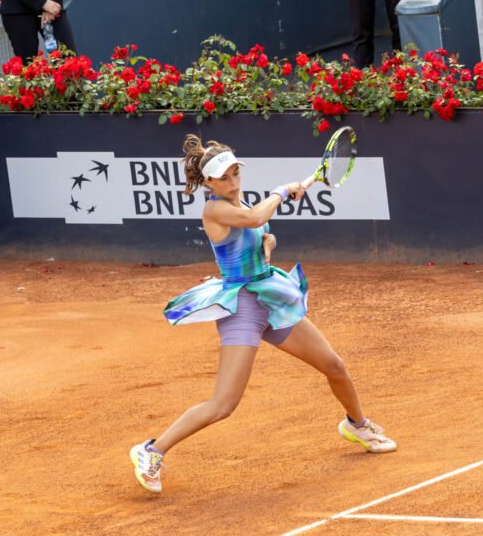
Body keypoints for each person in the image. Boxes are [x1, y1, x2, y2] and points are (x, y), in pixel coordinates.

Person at [130, 135, 396, 494]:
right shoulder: (214, 210)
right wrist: (281, 192)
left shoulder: (239, 203)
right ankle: (151, 450)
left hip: (271, 299)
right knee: (223, 404)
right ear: (209, 183)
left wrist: (268, 244)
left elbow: (256, 234)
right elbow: (256, 218)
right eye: (224, 177)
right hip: (243, 309)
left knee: (334, 365)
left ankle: (358, 425)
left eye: (236, 173)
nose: (233, 182)